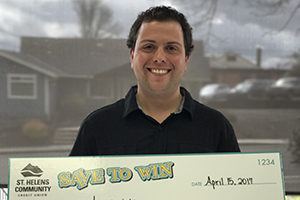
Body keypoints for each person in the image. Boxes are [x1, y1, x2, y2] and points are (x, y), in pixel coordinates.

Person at [70, 6, 240, 156]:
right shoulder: (97, 126)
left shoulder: (216, 127)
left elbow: (238, 190)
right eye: (148, 47)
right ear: (132, 56)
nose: (159, 58)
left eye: (171, 48)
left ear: (186, 60)